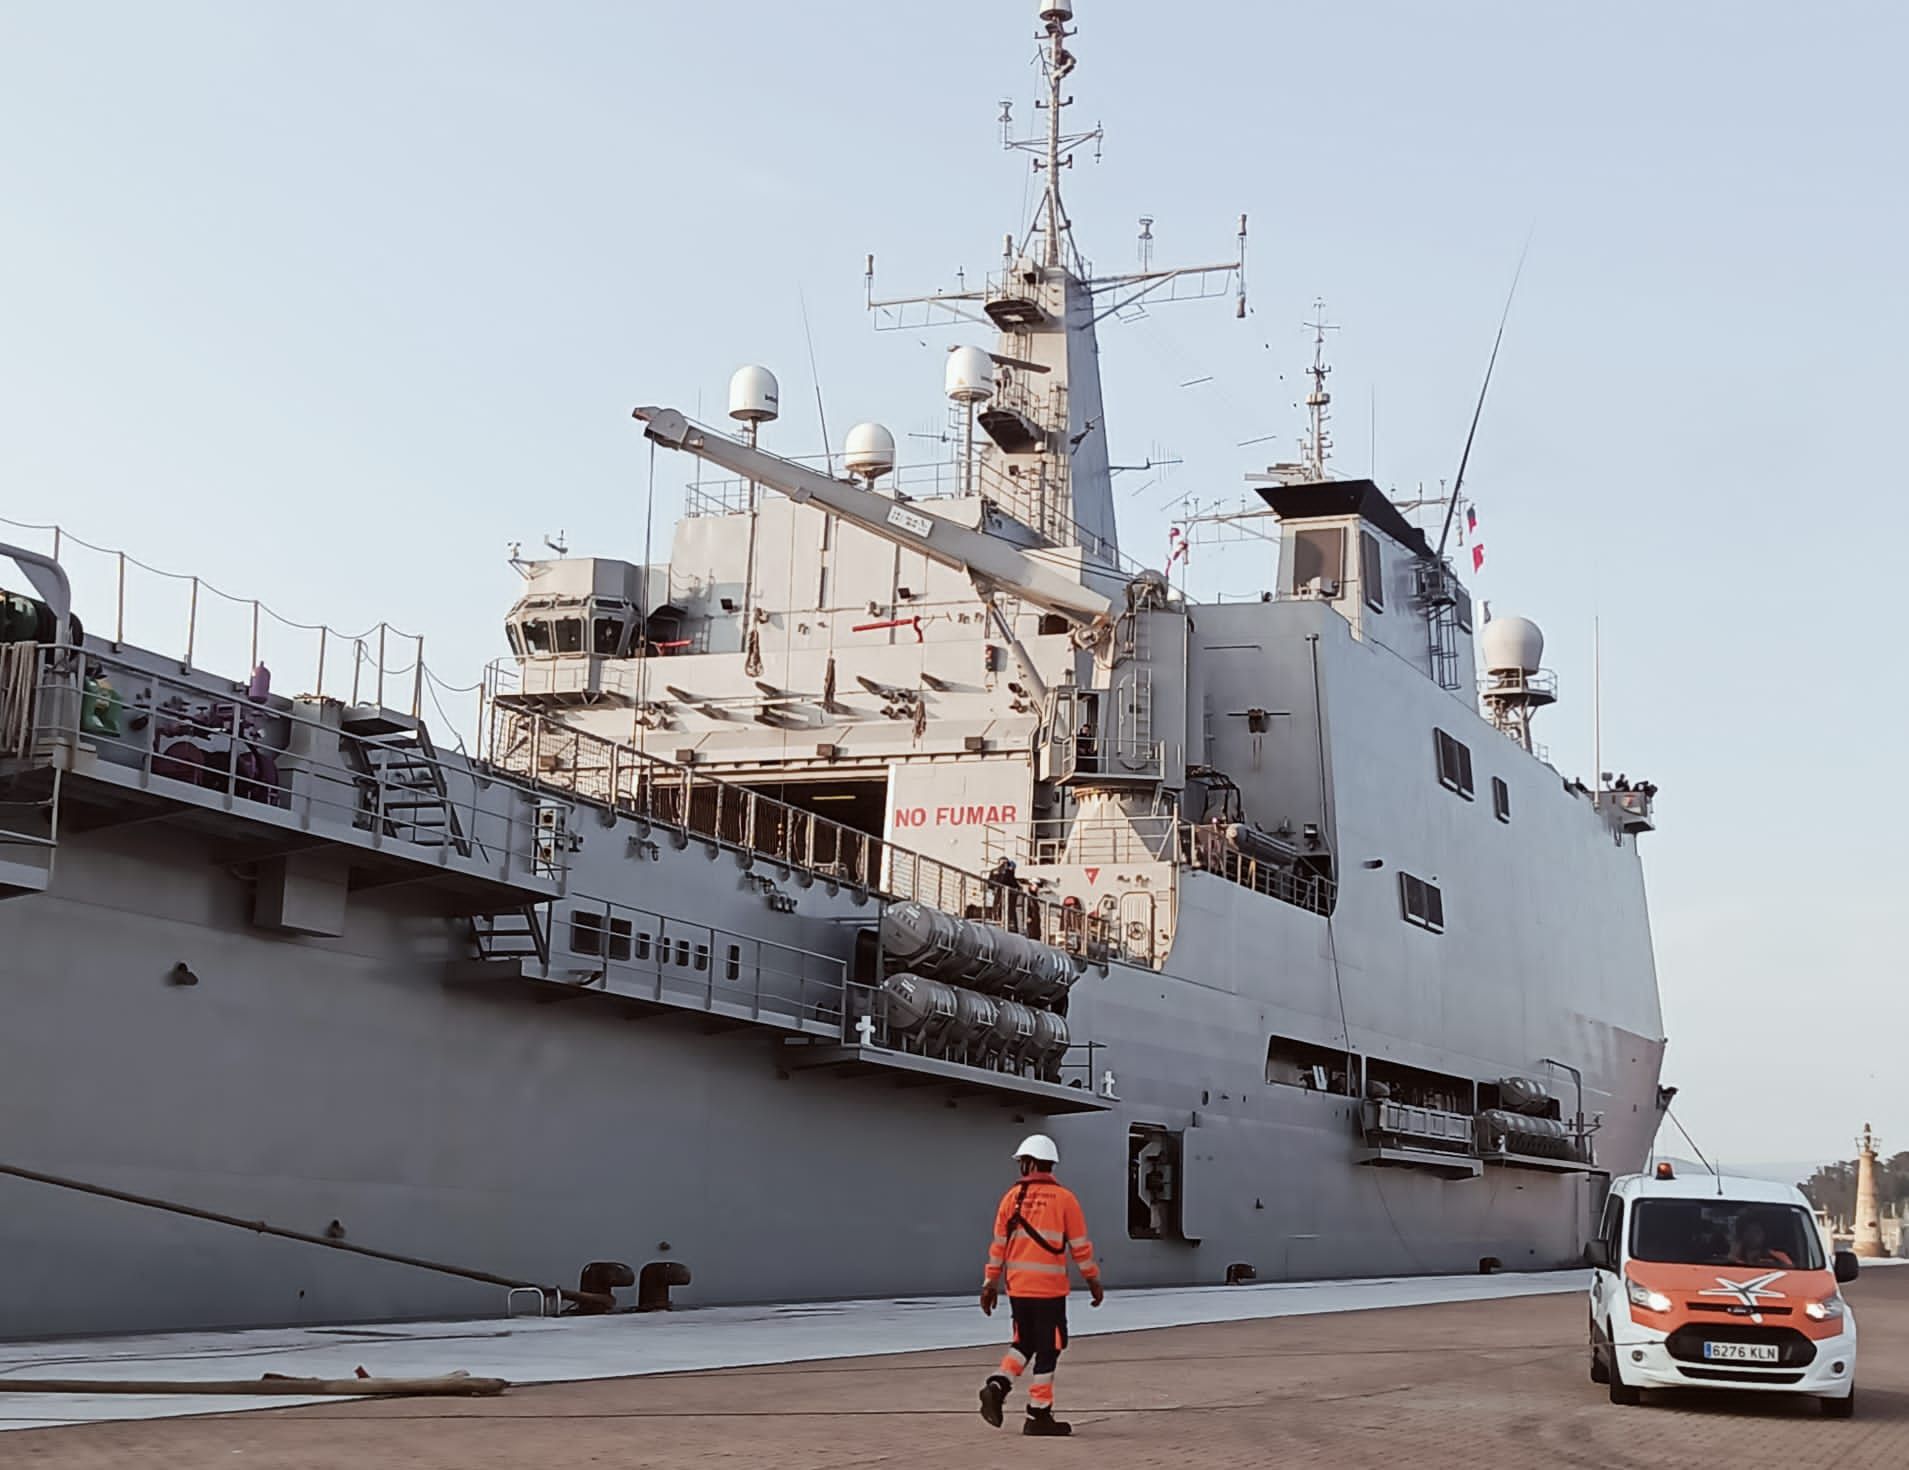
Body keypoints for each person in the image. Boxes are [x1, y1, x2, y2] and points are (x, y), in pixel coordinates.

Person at [977, 1134, 1104, 1437]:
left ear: (1028, 1163)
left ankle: (998, 1385)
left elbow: (998, 1247)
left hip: (1018, 1288)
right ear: (1050, 1164)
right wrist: (1092, 1279)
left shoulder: (1011, 1198)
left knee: (1024, 1342)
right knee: (1050, 1348)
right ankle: (1039, 1413)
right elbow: (1080, 1247)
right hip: (1049, 1289)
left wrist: (990, 1284)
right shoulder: (1065, 1200)